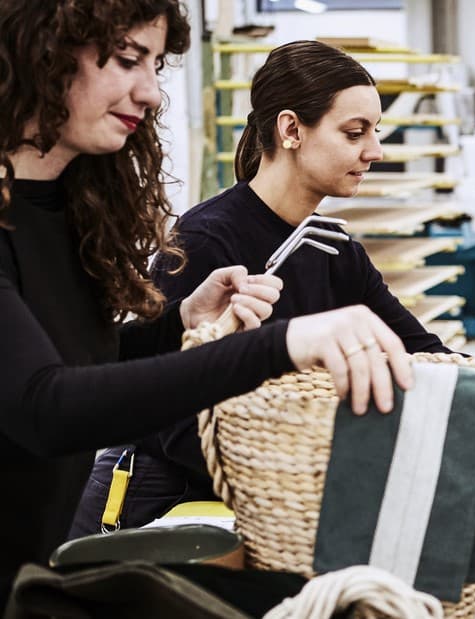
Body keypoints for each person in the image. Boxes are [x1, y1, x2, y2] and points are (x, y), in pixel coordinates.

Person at [69, 40, 475, 537]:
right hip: (164, 509)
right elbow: (174, 417)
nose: (374, 151)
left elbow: (428, 357)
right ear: (292, 129)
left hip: (276, 507)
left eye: (375, 131)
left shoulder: (331, 247)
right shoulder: (206, 241)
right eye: (355, 133)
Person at [0, 0, 416, 600]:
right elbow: (45, 406)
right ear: (39, 51)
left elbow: (78, 356)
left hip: (32, 570)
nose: (149, 93)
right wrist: (283, 344)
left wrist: (179, 325)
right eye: (125, 60)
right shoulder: (205, 233)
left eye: (156, 65)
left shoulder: (63, 209)